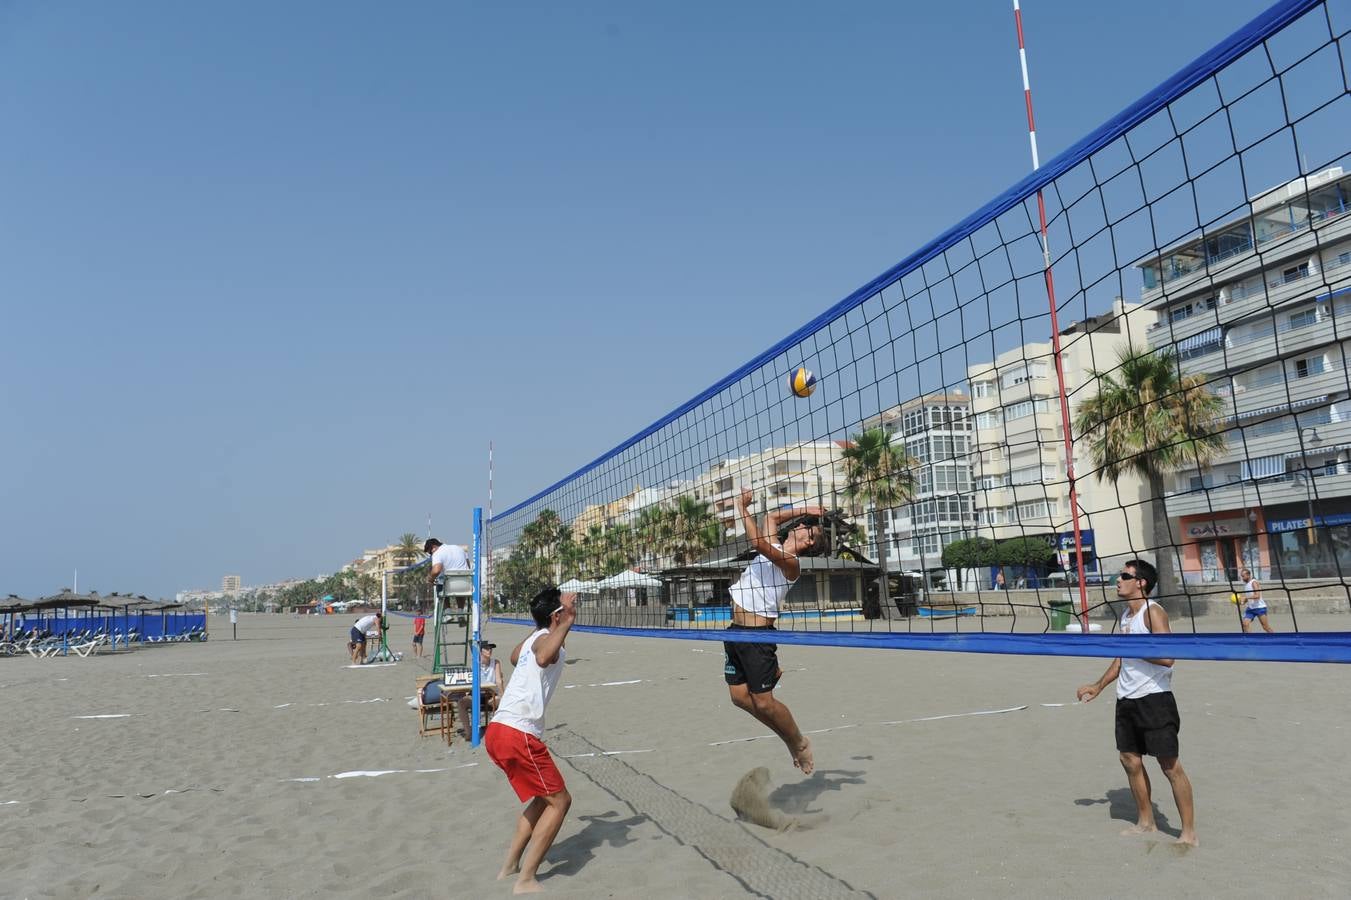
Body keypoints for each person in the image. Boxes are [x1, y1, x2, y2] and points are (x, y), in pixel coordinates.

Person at [1076, 558, 1197, 847]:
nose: (1118, 580)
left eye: (1124, 576)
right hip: (1126, 699)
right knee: (1129, 760)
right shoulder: (1126, 616)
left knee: (1169, 765)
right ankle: (1146, 822)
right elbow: (1121, 658)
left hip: (1155, 698)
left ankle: (1189, 833)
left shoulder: (1152, 612)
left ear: (1140, 582)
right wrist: (1098, 685)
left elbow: (1168, 656)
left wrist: (1135, 647)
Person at [723, 488, 829, 777]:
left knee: (764, 702)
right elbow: (772, 516)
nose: (799, 525)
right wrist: (808, 507)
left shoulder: (790, 564)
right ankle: (788, 739)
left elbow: (757, 541)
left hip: (757, 639)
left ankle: (799, 742)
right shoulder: (778, 546)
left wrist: (740, 507)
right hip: (736, 634)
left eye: (807, 527)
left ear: (808, 541)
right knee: (740, 699)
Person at [485, 588, 576, 894]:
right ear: (556, 615)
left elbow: (515, 657)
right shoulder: (544, 642)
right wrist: (567, 621)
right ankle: (525, 879)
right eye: (564, 607)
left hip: (498, 731)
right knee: (561, 802)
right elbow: (542, 656)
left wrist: (545, 623)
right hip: (516, 733)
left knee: (542, 798)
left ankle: (509, 867)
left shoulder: (536, 636)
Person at [457, 641, 504, 740]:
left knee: (502, 702)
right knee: (461, 703)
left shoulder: (495, 662)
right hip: (475, 695)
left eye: (490, 648)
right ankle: (468, 732)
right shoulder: (475, 663)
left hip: (490, 695)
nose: (489, 650)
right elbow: (470, 681)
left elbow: (499, 681)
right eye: (487, 648)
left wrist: (502, 695)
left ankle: (497, 729)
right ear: (480, 651)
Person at [1238, 567, 1274, 633]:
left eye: (1243, 576)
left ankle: (1275, 639)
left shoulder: (1254, 582)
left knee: (1266, 627)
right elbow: (1249, 597)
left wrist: (1246, 598)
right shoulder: (1246, 585)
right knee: (1245, 624)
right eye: (1241, 576)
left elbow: (1257, 596)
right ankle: (1250, 641)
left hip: (1259, 608)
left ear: (1248, 575)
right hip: (1250, 608)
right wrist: (1242, 601)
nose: (1242, 578)